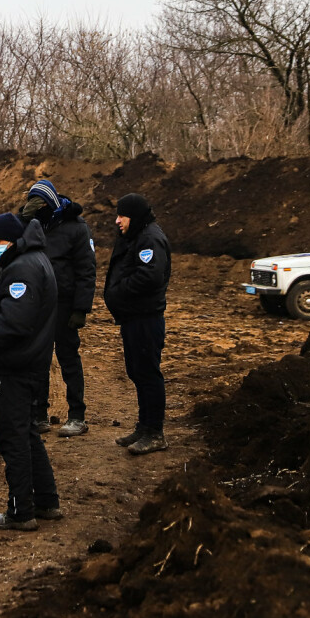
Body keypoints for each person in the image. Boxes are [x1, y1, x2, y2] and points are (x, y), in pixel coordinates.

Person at [0, 210, 61, 531]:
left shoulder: (22, 270)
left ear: (12, 240)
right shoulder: (34, 259)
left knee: (13, 438)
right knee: (27, 434)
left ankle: (20, 511)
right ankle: (46, 501)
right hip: (30, 363)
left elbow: (14, 323)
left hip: (16, 366)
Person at [21, 180, 96, 437]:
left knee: (68, 359)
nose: (35, 208)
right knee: (38, 360)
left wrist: (81, 309)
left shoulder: (76, 228)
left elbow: (87, 271)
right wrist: (24, 220)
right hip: (37, 304)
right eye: (31, 203)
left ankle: (77, 416)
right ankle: (39, 414)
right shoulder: (34, 225)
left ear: (49, 203)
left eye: (38, 203)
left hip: (64, 305)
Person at [104, 193, 172, 456]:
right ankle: (144, 426)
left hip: (146, 318)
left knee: (147, 374)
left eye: (122, 215)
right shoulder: (137, 236)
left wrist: (119, 291)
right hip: (134, 318)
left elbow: (150, 276)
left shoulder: (150, 239)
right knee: (137, 372)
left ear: (134, 216)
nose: (117, 221)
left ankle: (155, 433)